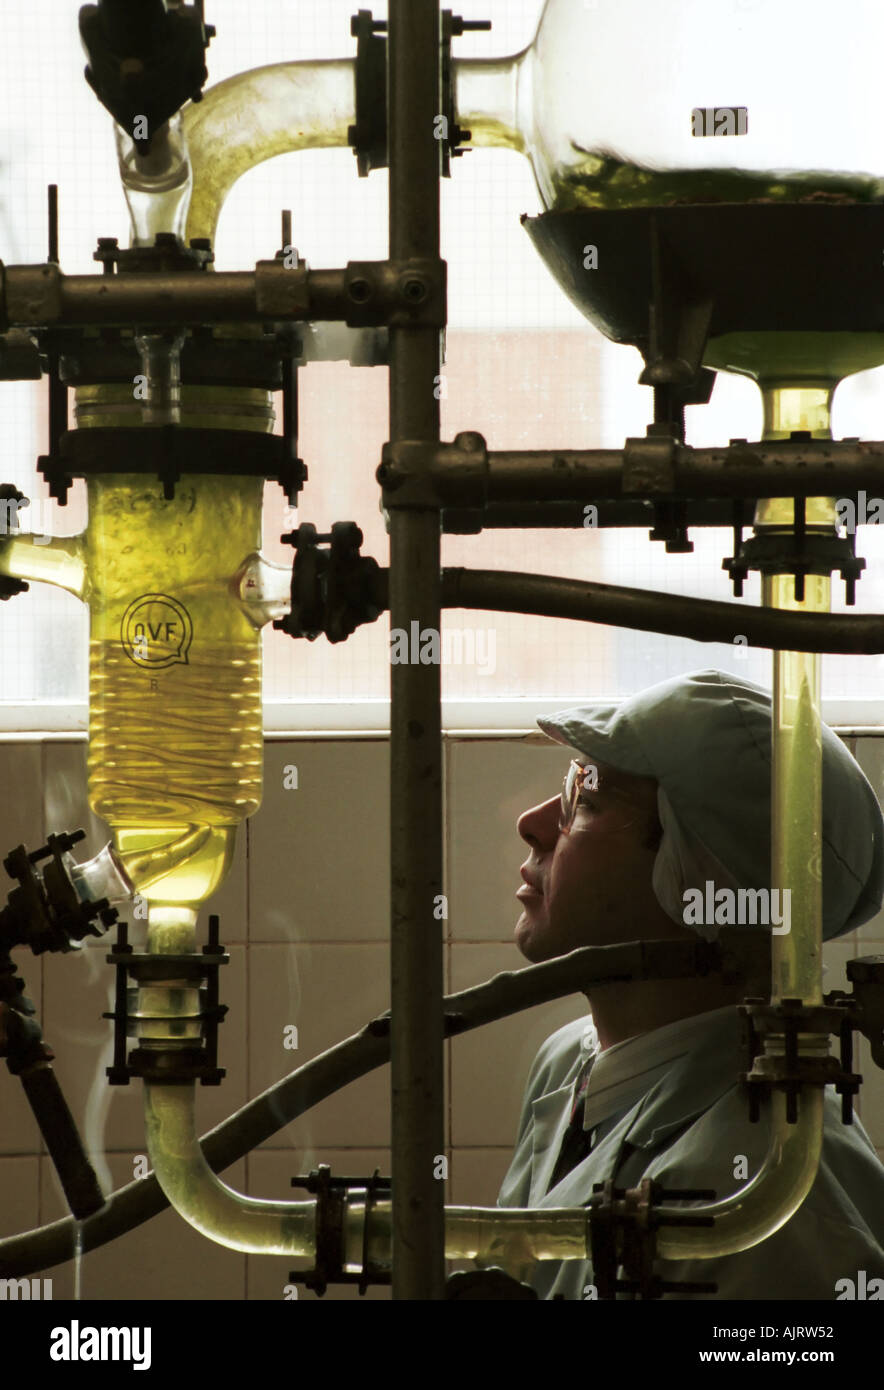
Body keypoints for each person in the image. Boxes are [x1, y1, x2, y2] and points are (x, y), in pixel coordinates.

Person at [498, 667, 884, 1299]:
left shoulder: (770, 1199)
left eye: (586, 800)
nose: (534, 823)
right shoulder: (570, 1061)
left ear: (698, 884)